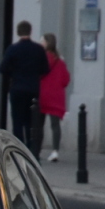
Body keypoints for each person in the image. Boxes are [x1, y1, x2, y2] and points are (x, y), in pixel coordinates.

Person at [0, 20, 49, 151]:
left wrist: (14, 72)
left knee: (17, 120)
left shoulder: (13, 49)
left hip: (17, 87)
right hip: (33, 88)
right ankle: (32, 148)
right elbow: (45, 69)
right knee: (31, 121)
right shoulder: (38, 49)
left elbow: (2, 68)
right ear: (30, 32)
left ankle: (19, 147)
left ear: (18, 32)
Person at [35, 32, 71, 162]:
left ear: (46, 43)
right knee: (55, 125)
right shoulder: (60, 60)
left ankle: (37, 150)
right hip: (56, 96)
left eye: (41, 41)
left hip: (42, 94)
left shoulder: (41, 58)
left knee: (39, 125)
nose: (40, 43)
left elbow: (37, 74)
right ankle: (55, 151)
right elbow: (66, 80)